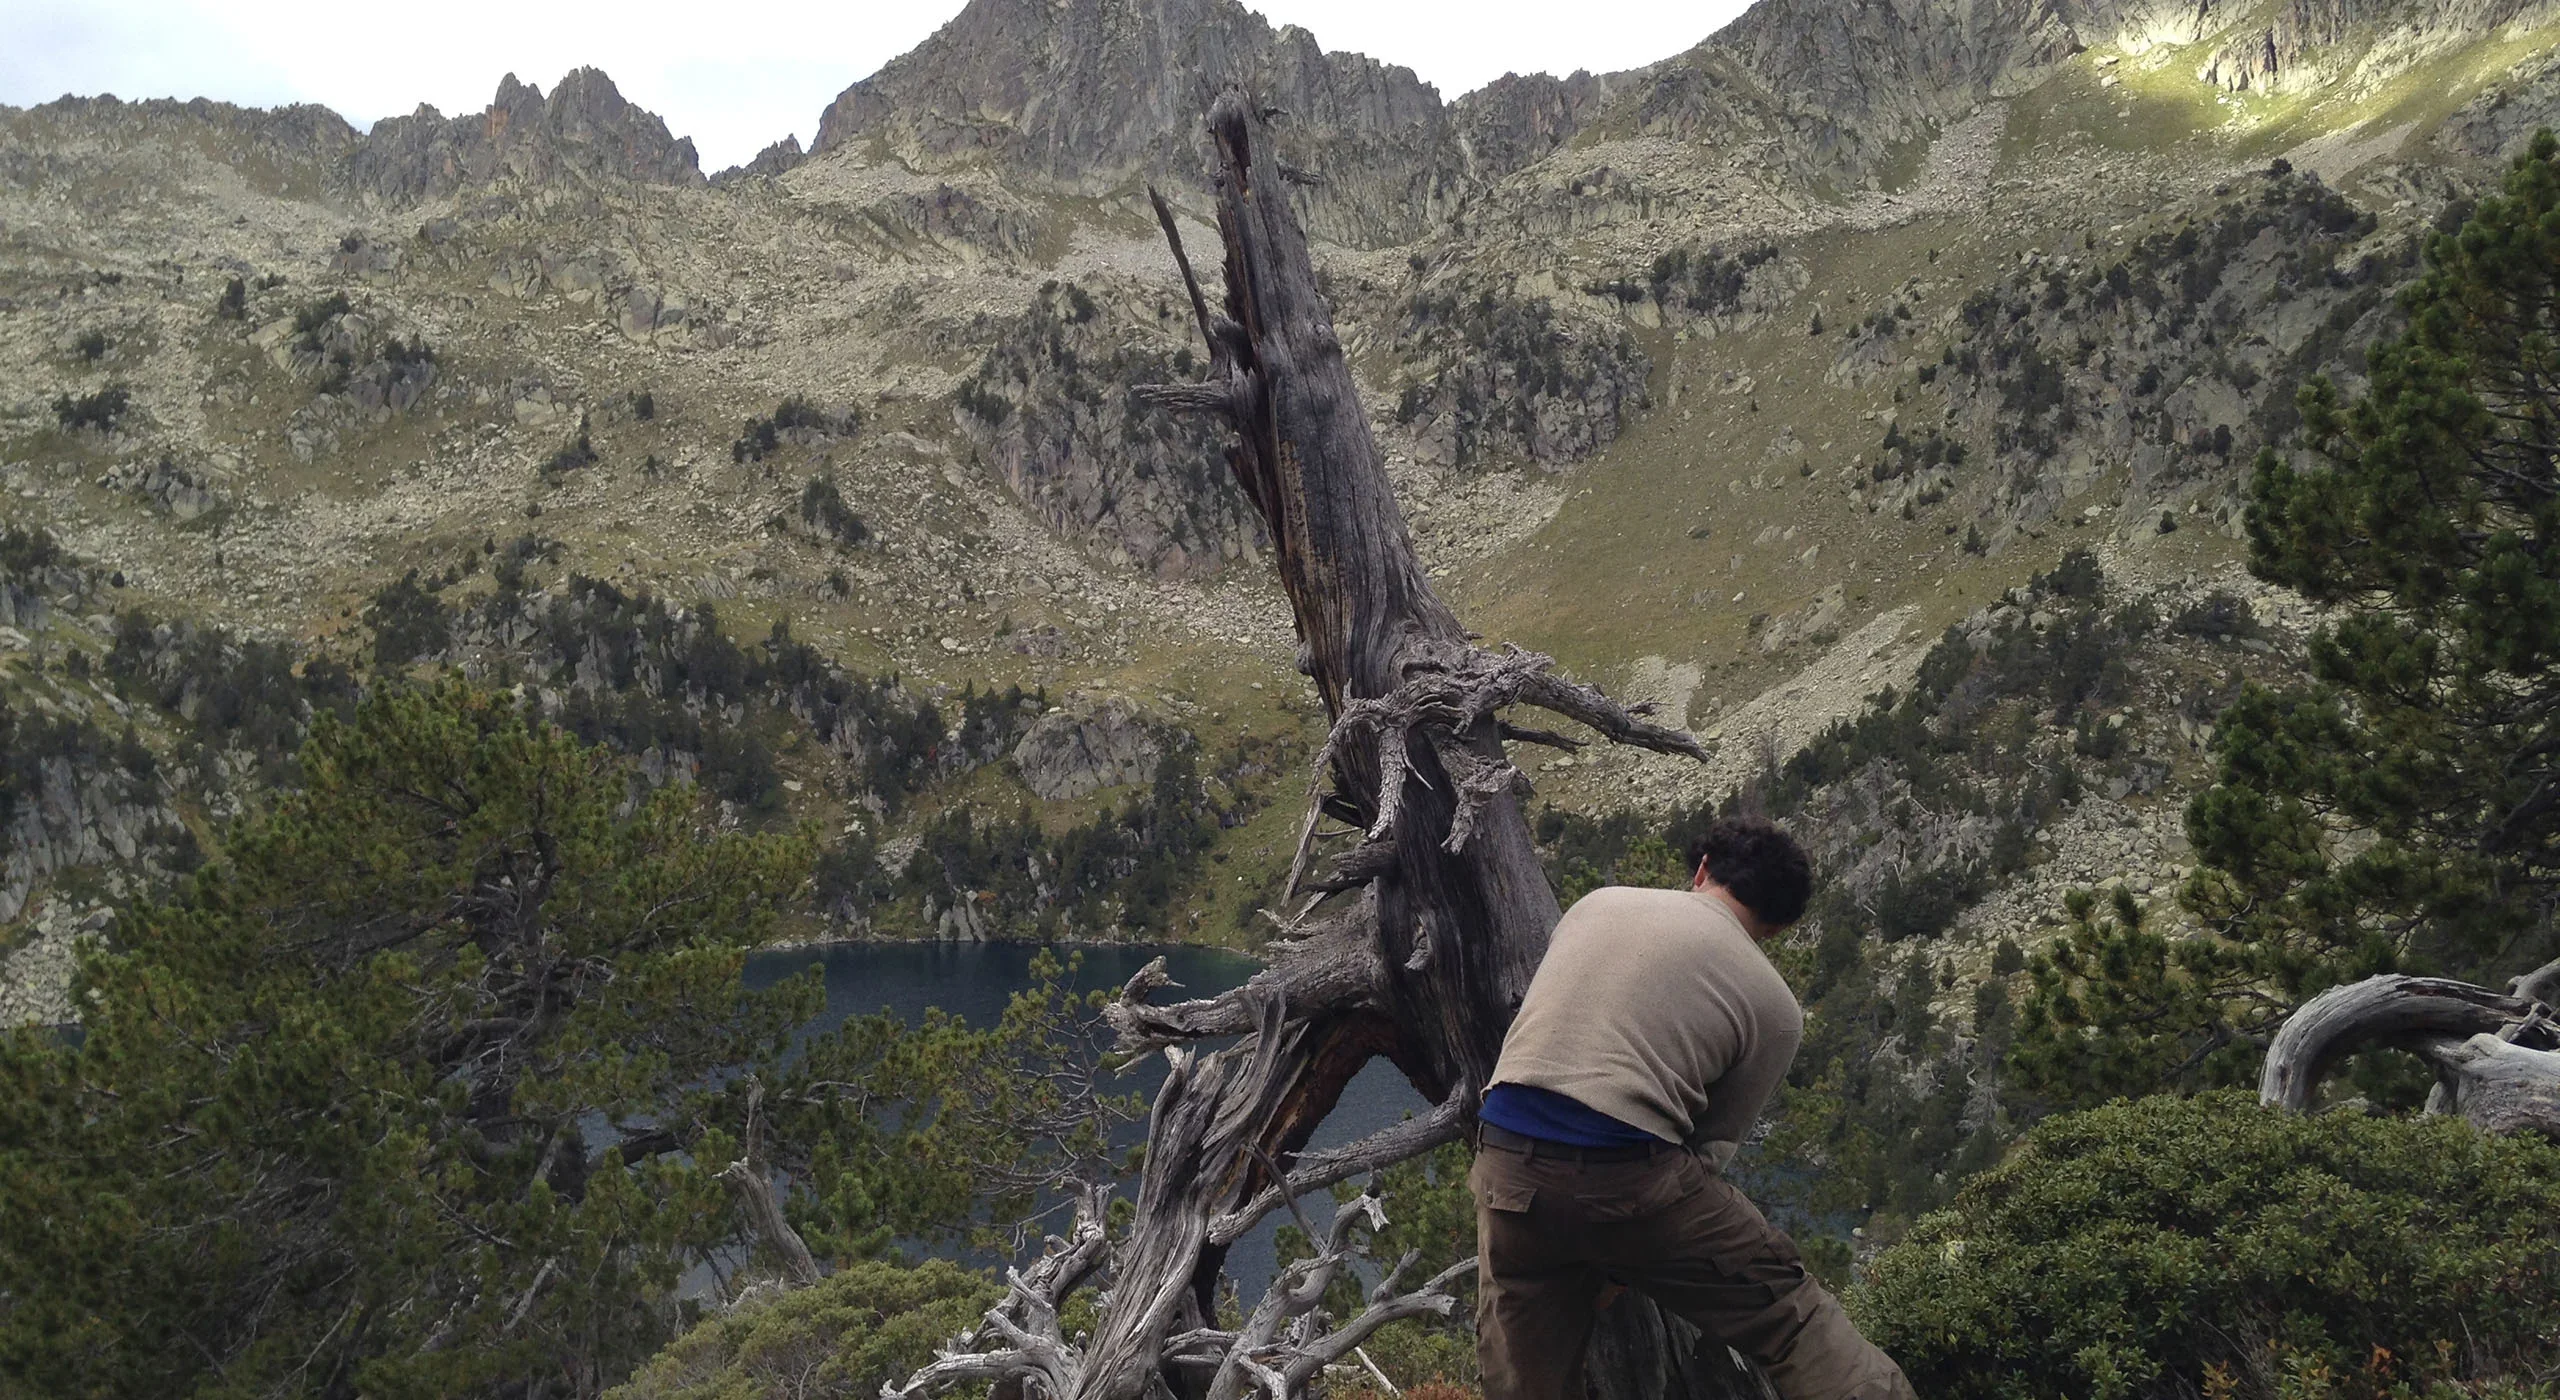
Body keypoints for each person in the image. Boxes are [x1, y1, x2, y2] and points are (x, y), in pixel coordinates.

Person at [1471, 817, 1914, 1400]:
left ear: (1702, 869)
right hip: (1629, 1178)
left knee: (1525, 1379)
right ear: (1778, 926)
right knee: (1789, 1315)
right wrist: (1623, 1242)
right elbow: (1708, 1149)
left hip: (1504, 1169)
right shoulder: (1775, 1006)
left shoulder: (1596, 904)